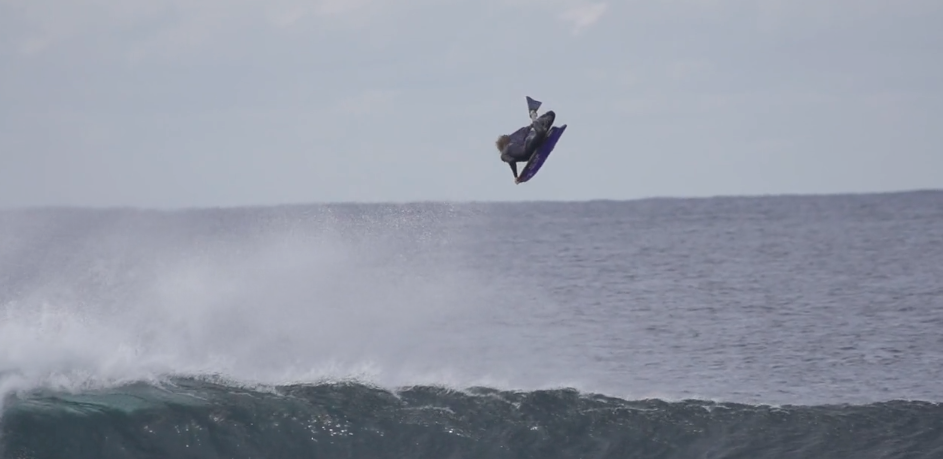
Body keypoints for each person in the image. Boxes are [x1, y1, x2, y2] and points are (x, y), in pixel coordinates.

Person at [495, 97, 556, 184]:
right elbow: (528, 128)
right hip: (529, 145)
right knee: (551, 115)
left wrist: (516, 177)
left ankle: (534, 116)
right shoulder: (511, 142)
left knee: (540, 130)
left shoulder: (504, 153)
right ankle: (533, 115)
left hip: (529, 145)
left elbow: (511, 161)